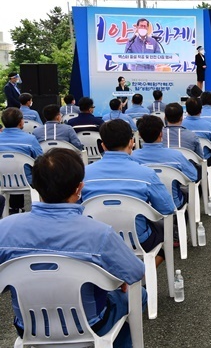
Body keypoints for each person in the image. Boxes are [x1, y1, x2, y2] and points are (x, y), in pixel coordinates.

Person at [0, 148, 147, 348]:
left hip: (29, 326)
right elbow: (135, 272)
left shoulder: (5, 229)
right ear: (79, 189)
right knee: (137, 296)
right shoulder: (99, 233)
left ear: (35, 186)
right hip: (90, 323)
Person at [81, 119, 175, 267]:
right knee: (161, 237)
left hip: (95, 240)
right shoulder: (146, 174)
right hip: (138, 240)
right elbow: (167, 208)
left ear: (102, 145)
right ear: (132, 142)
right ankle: (140, 279)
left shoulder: (84, 173)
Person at [132, 115, 198, 209]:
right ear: (161, 134)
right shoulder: (176, 156)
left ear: (139, 135)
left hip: (143, 206)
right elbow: (193, 176)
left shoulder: (132, 158)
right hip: (173, 202)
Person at [0, 108, 43, 214]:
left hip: (1, 181)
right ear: (20, 122)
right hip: (27, 181)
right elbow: (41, 160)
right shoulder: (30, 139)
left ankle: (14, 208)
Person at [181, 97, 211, 164]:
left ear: (186, 110)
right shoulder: (209, 125)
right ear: (201, 110)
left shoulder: (181, 125)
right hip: (205, 159)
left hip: (184, 160)